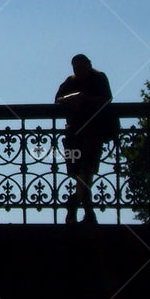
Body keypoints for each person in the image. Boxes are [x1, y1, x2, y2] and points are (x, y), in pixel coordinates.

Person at [55, 53, 115, 224]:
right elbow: (57, 100)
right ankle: (87, 212)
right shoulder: (70, 81)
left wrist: (85, 99)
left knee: (85, 171)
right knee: (80, 173)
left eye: (82, 67)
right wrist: (73, 99)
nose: (79, 71)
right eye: (76, 68)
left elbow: (107, 99)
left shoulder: (99, 78)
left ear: (89, 65)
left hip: (94, 132)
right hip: (75, 133)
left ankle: (76, 205)